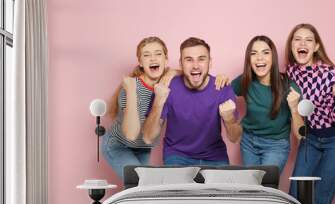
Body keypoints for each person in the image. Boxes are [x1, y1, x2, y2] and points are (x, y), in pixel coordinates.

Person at [286, 23, 335, 204]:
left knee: (319, 203)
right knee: (295, 199)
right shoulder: (290, 73)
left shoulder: (330, 74)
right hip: (310, 139)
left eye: (308, 40)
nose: (302, 43)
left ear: (316, 47)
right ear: (292, 45)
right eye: (297, 39)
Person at [143, 37, 242, 166]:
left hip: (215, 157)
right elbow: (148, 137)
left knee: (223, 187)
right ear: (181, 64)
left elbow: (235, 138)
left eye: (201, 59)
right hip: (177, 156)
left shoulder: (222, 88)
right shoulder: (166, 87)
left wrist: (229, 118)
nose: (195, 65)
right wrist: (158, 102)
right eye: (189, 60)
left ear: (209, 62)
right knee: (178, 187)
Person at [231, 35, 303, 173]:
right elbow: (220, 94)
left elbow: (301, 135)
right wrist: (221, 79)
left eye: (265, 52)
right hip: (248, 143)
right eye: (254, 53)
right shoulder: (245, 81)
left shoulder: (288, 85)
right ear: (249, 59)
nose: (259, 58)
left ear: (273, 58)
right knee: (251, 188)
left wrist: (294, 108)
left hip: (276, 145)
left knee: (265, 188)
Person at [102, 37, 170, 179]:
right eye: (146, 55)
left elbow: (186, 72)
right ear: (140, 63)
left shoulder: (167, 83)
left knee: (137, 188)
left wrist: (172, 73)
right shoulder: (131, 87)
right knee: (139, 182)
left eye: (158, 54)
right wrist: (131, 92)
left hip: (143, 148)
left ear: (166, 59)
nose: (152, 58)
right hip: (119, 145)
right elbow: (131, 134)